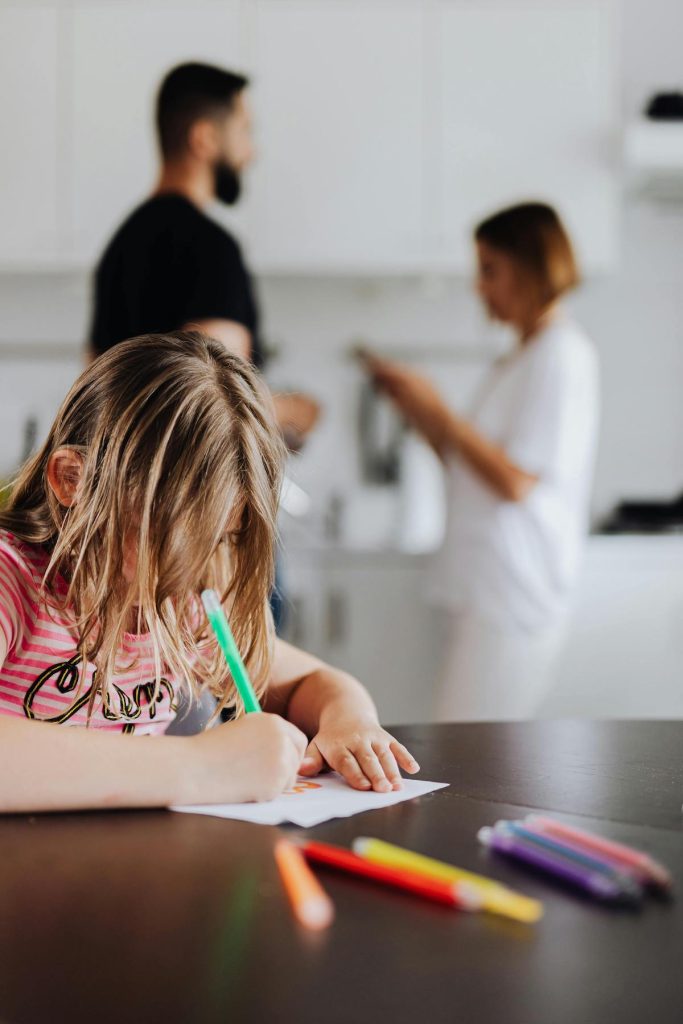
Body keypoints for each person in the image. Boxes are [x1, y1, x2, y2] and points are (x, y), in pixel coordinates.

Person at [0, 332, 418, 812]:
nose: (198, 566)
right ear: (73, 480)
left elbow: (314, 681)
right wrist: (199, 765)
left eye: (220, 538)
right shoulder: (11, 581)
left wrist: (349, 718)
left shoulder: (181, 610)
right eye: (179, 534)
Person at [365, 203, 599, 721]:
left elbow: (516, 482)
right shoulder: (521, 357)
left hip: (515, 595)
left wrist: (442, 413)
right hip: (488, 593)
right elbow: (468, 465)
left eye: (490, 270)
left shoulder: (561, 356)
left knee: (473, 754)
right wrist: (419, 410)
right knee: (469, 747)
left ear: (530, 267)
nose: (479, 287)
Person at [89, 61, 319, 456]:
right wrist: (292, 410)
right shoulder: (212, 248)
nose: (252, 151)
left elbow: (97, 389)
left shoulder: (118, 246)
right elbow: (214, 402)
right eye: (244, 131)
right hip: (190, 503)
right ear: (205, 138)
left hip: (125, 494)